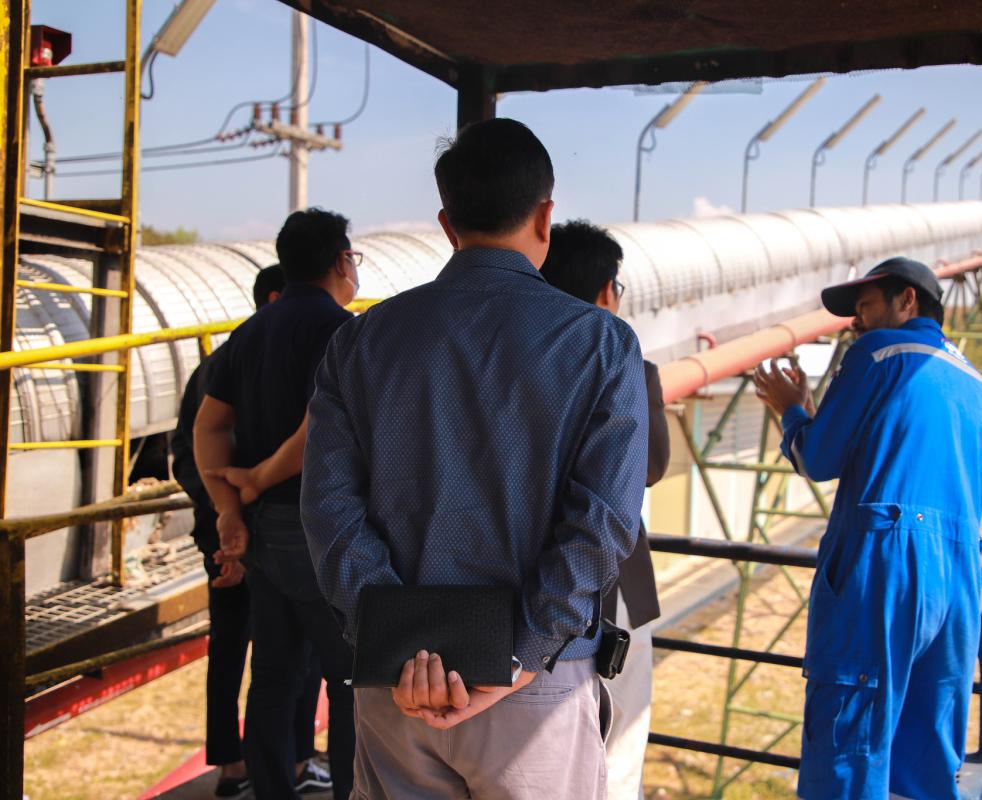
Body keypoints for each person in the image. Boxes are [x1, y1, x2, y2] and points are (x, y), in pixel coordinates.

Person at [301, 118, 649, 800]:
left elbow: (329, 511)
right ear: (545, 216)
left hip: (398, 692)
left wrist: (401, 649)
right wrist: (518, 657)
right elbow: (603, 523)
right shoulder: (602, 343)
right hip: (536, 693)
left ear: (447, 223)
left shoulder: (361, 341)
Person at [753, 257, 982, 800]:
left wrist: (791, 412)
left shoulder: (877, 352)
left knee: (851, 746)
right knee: (928, 758)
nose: (855, 321)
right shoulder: (976, 383)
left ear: (907, 301)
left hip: (886, 566)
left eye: (864, 306)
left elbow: (818, 458)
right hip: (959, 577)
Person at [193, 209, 360, 800]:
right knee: (349, 681)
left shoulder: (249, 332)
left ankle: (271, 789)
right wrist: (258, 479)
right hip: (322, 532)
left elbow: (209, 426)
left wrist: (229, 508)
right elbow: (320, 425)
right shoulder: (342, 330)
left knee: (272, 676)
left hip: (264, 537)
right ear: (341, 261)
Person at [171, 265, 330, 798]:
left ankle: (243, 765)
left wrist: (225, 513)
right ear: (277, 299)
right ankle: (290, 760)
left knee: (246, 656)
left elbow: (190, 449)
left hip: (230, 528)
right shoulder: (306, 348)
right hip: (259, 530)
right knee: (292, 661)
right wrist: (238, 509)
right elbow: (312, 436)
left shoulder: (221, 359)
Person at [539, 219, 669, 800]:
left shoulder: (520, 354)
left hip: (525, 577)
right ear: (605, 291)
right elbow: (652, 465)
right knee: (619, 734)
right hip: (614, 583)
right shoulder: (628, 363)